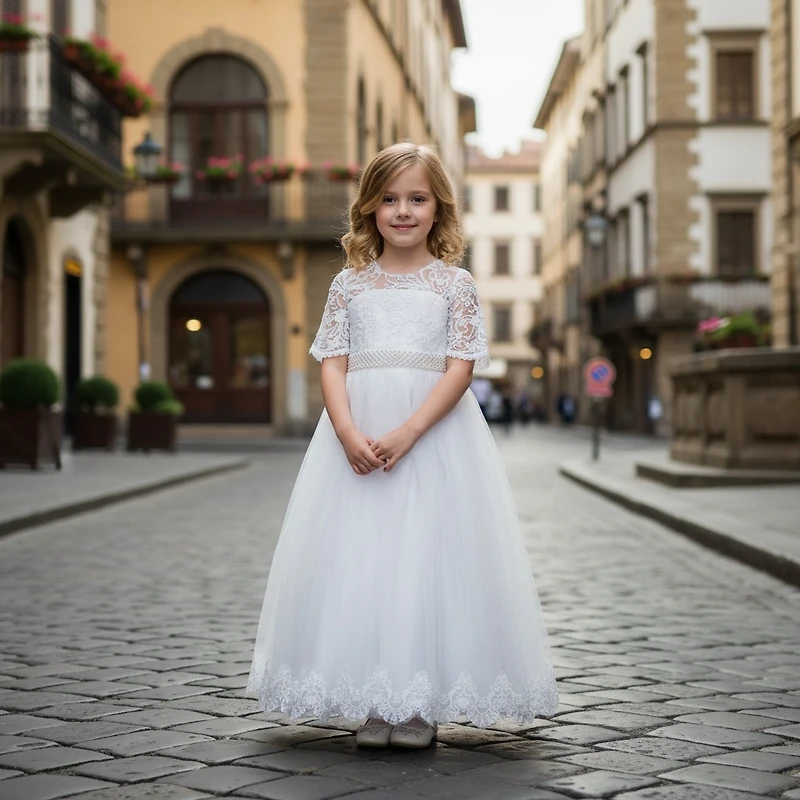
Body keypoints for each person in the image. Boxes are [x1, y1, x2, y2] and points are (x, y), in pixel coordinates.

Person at [246, 142, 558, 750]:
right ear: (369, 207)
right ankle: (375, 699)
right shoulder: (348, 285)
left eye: (417, 199)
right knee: (362, 560)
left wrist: (410, 431)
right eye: (389, 199)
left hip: (433, 437)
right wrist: (346, 431)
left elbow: (461, 366)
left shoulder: (455, 284)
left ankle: (416, 703)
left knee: (424, 557)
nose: (403, 211)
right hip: (357, 435)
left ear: (439, 208)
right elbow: (332, 362)